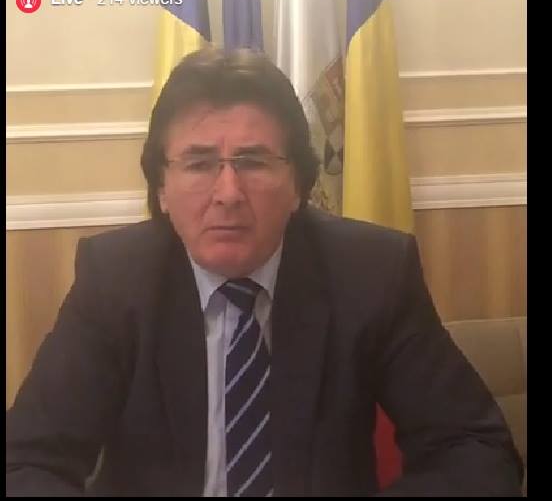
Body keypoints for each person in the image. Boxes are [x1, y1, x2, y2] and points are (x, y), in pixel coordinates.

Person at [5, 47, 523, 496]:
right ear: (161, 189)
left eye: (253, 161)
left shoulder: (371, 273)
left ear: (297, 185)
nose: (228, 193)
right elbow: (25, 462)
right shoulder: (116, 279)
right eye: (199, 163)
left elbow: (475, 449)